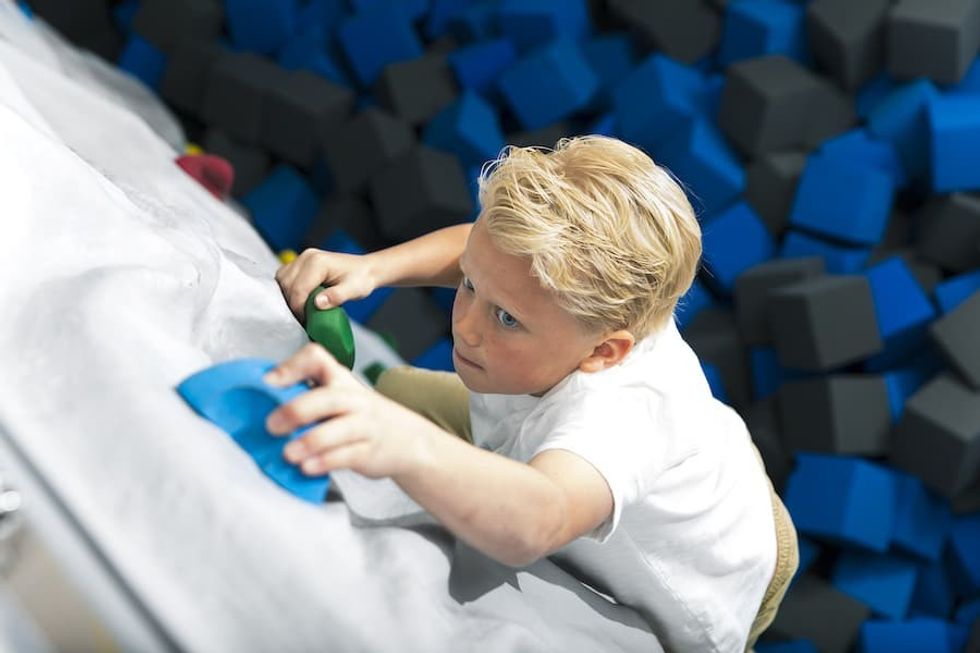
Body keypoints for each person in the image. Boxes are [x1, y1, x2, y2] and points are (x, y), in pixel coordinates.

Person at [267, 136, 798, 652]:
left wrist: (405, 444)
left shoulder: (622, 416)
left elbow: (543, 517)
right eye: (470, 287)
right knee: (397, 395)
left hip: (717, 562)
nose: (466, 328)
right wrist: (374, 268)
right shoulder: (548, 293)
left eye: (506, 319)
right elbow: (484, 252)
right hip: (693, 446)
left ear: (604, 352)